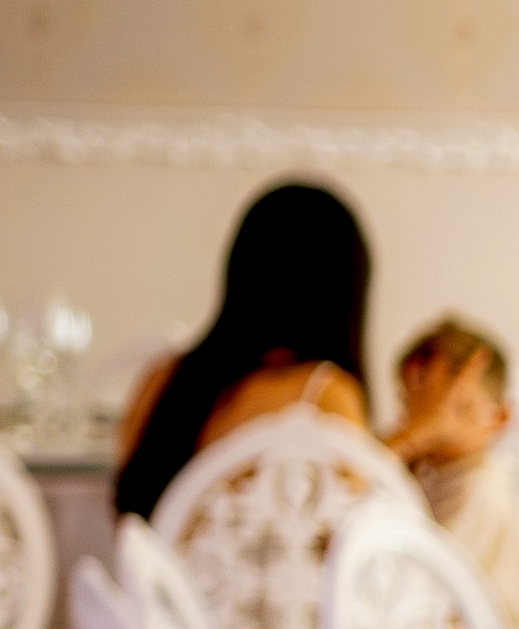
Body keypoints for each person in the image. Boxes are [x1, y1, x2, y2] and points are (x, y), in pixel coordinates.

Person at [110, 178, 375, 521]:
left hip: (148, 558)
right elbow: (362, 524)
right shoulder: (324, 392)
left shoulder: (161, 379)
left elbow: (128, 518)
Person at [386, 314, 519, 616]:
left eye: (460, 408)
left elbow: (416, 587)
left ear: (501, 418)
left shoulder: (482, 489)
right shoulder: (423, 472)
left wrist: (411, 439)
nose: (433, 425)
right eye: (416, 408)